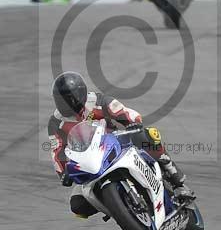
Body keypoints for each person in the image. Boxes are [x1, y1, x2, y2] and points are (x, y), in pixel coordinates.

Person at [47, 71, 195, 218]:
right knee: (77, 205)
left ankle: (177, 181)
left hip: (117, 144)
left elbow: (122, 111)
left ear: (81, 94)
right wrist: (63, 172)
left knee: (147, 135)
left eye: (71, 98)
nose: (68, 103)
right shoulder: (56, 122)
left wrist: (131, 122)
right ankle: (120, 208)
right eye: (62, 100)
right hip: (90, 160)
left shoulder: (98, 101)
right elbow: (57, 150)